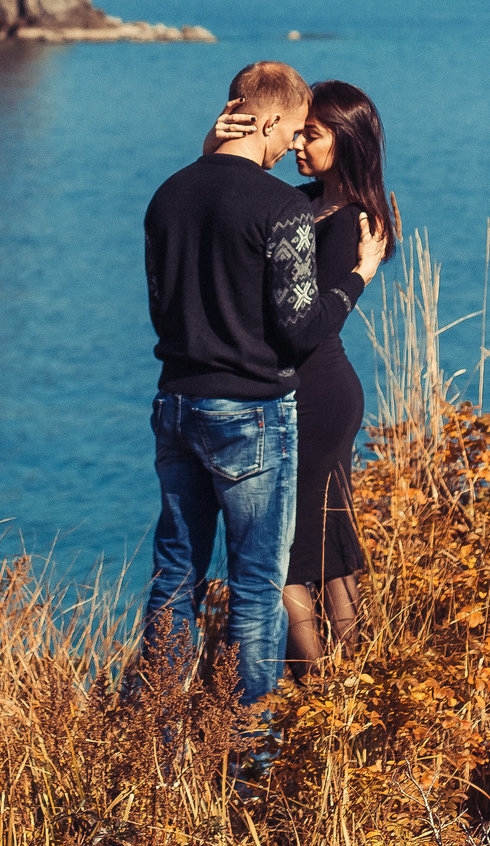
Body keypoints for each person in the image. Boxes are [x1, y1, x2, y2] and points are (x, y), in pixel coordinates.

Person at [140, 60, 366, 708]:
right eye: (291, 129)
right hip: (248, 412)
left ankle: (154, 727)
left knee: (176, 575)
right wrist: (355, 278)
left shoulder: (167, 194)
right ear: (265, 119)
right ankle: (247, 747)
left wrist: (208, 155)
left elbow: (162, 307)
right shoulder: (278, 209)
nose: (292, 144)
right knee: (259, 582)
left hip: (175, 403)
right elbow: (298, 329)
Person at [214, 81, 396, 676]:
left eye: (310, 135)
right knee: (328, 549)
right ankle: (355, 688)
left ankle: (320, 694)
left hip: (316, 394)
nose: (296, 142)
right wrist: (214, 147)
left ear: (342, 142)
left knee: (292, 555)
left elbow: (310, 323)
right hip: (309, 389)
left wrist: (363, 274)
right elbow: (230, 201)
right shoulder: (301, 202)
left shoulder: (351, 224)